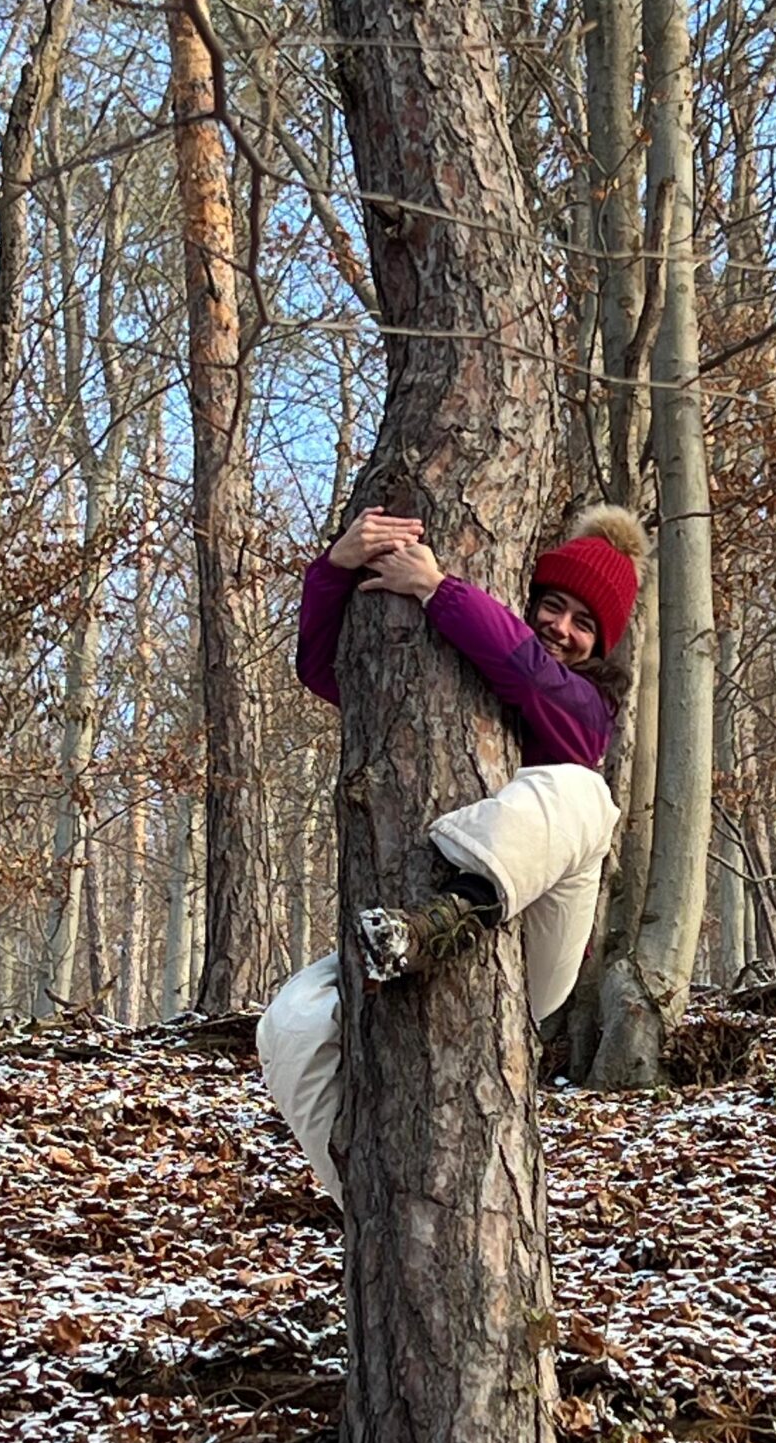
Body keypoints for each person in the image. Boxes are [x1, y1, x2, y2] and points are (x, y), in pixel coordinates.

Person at [256, 503, 647, 1205]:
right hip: (401, 929)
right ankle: (361, 1196)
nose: (561, 629)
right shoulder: (451, 669)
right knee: (293, 1018)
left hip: (529, 939)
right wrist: (338, 568)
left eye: (584, 624)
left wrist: (442, 591)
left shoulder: (587, 712)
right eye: (551, 607)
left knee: (582, 794)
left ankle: (456, 911)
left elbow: (533, 679)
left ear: (603, 647)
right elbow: (322, 670)